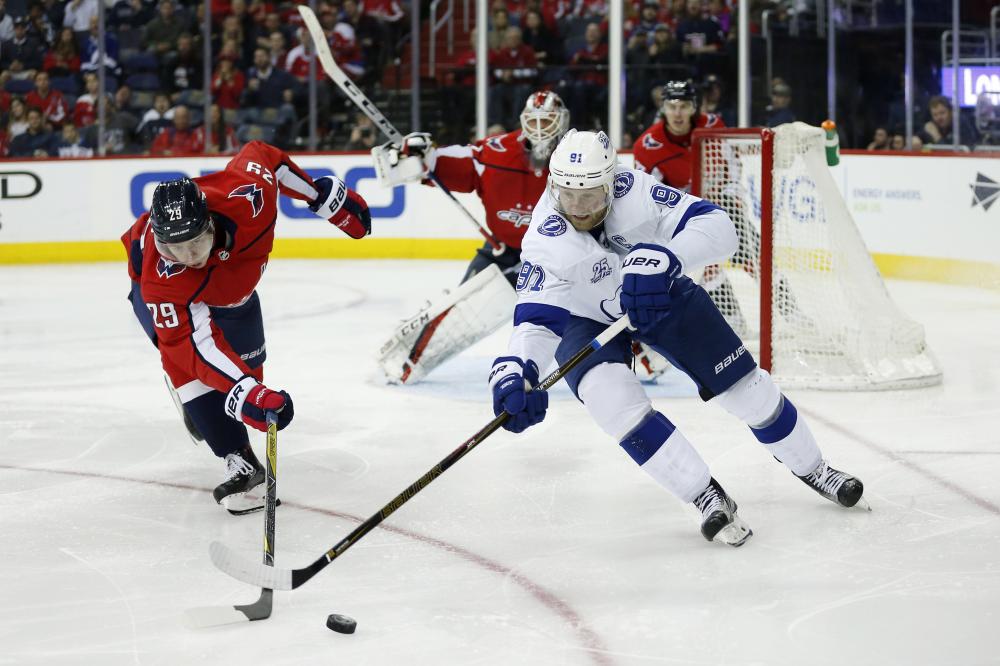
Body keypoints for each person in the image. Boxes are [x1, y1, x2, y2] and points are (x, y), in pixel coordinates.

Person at [488, 129, 866, 546]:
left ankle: (814, 467)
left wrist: (669, 257)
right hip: (586, 316)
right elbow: (536, 321)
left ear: (611, 183)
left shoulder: (634, 190)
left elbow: (719, 227)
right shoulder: (544, 240)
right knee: (609, 398)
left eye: (591, 197)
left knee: (747, 391)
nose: (577, 209)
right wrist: (516, 372)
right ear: (552, 186)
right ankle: (704, 494)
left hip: (659, 292)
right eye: (567, 196)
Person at [121, 141, 372, 513]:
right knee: (190, 371)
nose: (187, 258)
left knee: (241, 379)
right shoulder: (162, 277)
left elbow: (266, 157)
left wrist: (317, 195)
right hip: (174, 308)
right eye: (174, 249)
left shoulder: (247, 198)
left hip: (235, 298)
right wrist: (245, 392)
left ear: (209, 222)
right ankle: (238, 458)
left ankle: (214, 403)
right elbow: (191, 346)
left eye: (194, 244)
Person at [371, 90, 570, 384]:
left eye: (548, 120)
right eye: (534, 120)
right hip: (503, 252)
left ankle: (633, 354)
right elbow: (449, 161)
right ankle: (409, 362)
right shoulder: (496, 152)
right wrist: (422, 154)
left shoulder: (576, 153)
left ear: (563, 121)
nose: (541, 128)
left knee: (593, 307)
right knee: (455, 311)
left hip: (560, 257)